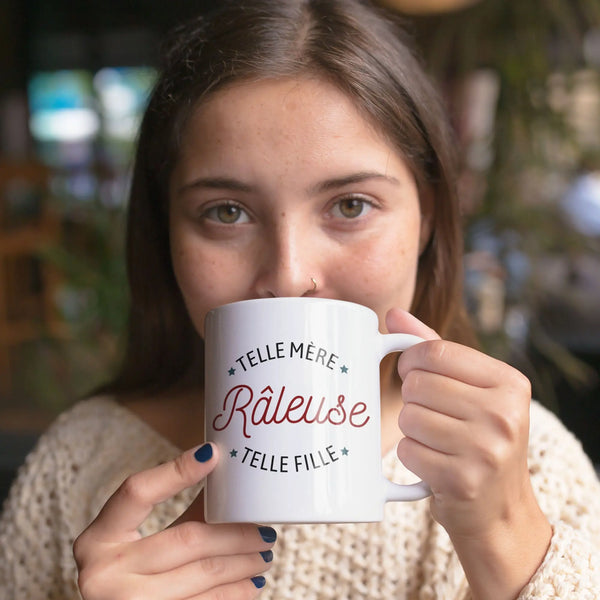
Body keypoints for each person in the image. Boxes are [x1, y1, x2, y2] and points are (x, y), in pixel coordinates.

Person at [1, 1, 599, 598]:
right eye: (226, 212)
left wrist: (508, 542)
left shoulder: (533, 466)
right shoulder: (77, 467)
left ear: (427, 221)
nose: (289, 276)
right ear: (165, 236)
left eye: (350, 206)